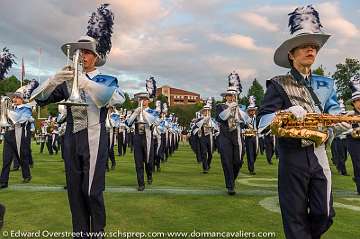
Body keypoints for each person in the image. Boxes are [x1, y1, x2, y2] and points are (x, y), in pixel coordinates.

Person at [31, 4, 124, 236]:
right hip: (72, 139)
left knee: (91, 190)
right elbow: (38, 99)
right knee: (74, 190)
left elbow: (115, 99)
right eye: (79, 52)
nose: (82, 56)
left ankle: (98, 231)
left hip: (94, 137)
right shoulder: (66, 81)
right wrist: (53, 80)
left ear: (96, 56)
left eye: (87, 52)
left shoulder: (106, 79)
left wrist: (85, 83)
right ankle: (80, 232)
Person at [257, 5, 349, 238]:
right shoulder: (278, 83)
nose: (311, 49)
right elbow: (263, 119)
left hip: (319, 152)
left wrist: (330, 131)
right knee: (294, 215)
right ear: (291, 54)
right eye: (305, 46)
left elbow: (336, 115)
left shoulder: (327, 84)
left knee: (324, 214)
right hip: (292, 155)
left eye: (314, 46)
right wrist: (285, 114)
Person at [0, 82, 37, 189]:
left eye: (17, 97)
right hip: (9, 134)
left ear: (22, 99)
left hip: (20, 134)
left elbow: (21, 120)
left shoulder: (26, 108)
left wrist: (7, 112)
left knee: (22, 157)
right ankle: (3, 181)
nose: (14, 99)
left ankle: (26, 175)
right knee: (6, 159)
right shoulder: (10, 108)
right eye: (14, 97)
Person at [216, 82, 247, 195]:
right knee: (227, 161)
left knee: (238, 161)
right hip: (225, 136)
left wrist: (240, 114)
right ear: (226, 96)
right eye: (229, 95)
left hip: (237, 136)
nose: (231, 97)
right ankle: (230, 186)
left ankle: (231, 179)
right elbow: (220, 118)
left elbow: (245, 123)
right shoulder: (220, 106)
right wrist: (231, 109)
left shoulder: (241, 107)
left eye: (233, 95)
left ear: (236, 96)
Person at [126, 91, 158, 191]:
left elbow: (153, 122)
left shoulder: (152, 111)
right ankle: (141, 183)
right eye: (141, 99)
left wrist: (143, 112)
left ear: (148, 101)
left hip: (148, 136)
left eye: (145, 99)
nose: (143, 101)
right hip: (137, 137)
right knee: (138, 161)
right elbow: (128, 123)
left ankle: (149, 174)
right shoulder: (135, 111)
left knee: (149, 161)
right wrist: (136, 113)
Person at [346, 75, 360, 195]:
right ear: (353, 103)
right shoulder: (349, 115)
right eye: (357, 101)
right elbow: (343, 130)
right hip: (354, 142)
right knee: (358, 164)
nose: (359, 103)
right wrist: (352, 131)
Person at [243, 96, 258, 175]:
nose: (252, 112)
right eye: (251, 111)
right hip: (248, 137)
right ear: (248, 111)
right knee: (250, 153)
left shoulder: (257, 118)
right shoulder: (245, 119)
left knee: (255, 152)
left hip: (256, 137)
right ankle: (251, 169)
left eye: (253, 110)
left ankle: (251, 163)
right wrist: (246, 129)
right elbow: (242, 127)